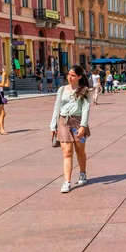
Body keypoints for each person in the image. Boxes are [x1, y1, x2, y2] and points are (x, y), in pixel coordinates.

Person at [50, 65, 91, 194]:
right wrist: (53, 125)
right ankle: (66, 182)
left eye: (73, 75)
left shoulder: (84, 90)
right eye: (69, 74)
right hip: (63, 122)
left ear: (79, 76)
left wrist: (83, 126)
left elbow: (86, 108)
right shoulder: (61, 90)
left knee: (80, 151)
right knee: (67, 152)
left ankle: (82, 173)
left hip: (78, 122)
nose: (70, 77)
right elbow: (57, 107)